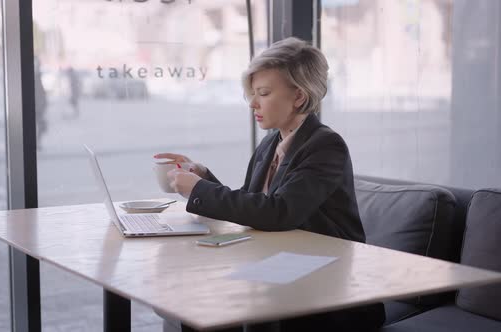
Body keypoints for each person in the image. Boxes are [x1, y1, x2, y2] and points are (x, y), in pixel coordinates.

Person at [154, 37, 385, 331]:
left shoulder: (327, 145)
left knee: (209, 301)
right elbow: (253, 204)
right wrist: (201, 177)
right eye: (252, 93)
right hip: (280, 268)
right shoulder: (271, 142)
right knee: (197, 298)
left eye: (263, 93)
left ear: (298, 97)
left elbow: (279, 212)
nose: (252, 103)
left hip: (326, 286)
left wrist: (198, 190)